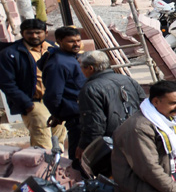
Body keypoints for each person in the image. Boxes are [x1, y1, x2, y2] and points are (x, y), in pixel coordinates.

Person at [0, 19, 63, 150]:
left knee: (59, 141)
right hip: (35, 103)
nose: (34, 36)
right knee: (43, 145)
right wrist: (27, 105)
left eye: (37, 32)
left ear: (45, 32)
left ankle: (60, 169)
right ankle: (44, 169)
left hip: (57, 101)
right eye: (29, 33)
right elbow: (7, 84)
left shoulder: (53, 48)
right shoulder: (11, 54)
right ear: (22, 33)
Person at [77, 50, 144, 153]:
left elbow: (94, 124)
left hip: (114, 144)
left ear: (90, 68)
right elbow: (144, 105)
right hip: (138, 135)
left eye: (81, 67)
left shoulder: (90, 89)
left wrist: (86, 147)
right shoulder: (127, 79)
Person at [38, 26, 86, 164]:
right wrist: (57, 114)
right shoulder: (59, 63)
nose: (76, 44)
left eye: (78, 40)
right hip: (75, 115)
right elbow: (53, 95)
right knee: (78, 156)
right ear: (59, 41)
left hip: (81, 112)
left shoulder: (72, 58)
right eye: (71, 41)